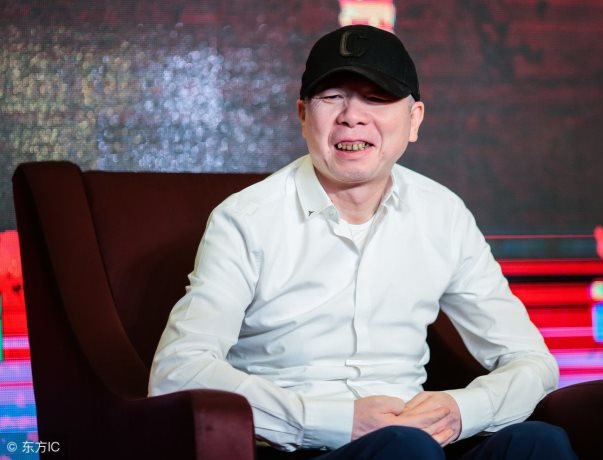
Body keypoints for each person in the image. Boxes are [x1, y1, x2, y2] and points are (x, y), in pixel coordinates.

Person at [149, 24, 577, 460]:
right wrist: (334, 420)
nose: (352, 116)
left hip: (420, 443)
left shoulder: (443, 214)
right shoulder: (246, 219)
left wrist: (460, 410)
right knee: (404, 450)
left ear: (414, 120)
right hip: (301, 448)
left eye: (376, 97)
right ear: (303, 116)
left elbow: (532, 361)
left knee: (540, 443)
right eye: (332, 97)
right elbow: (178, 371)